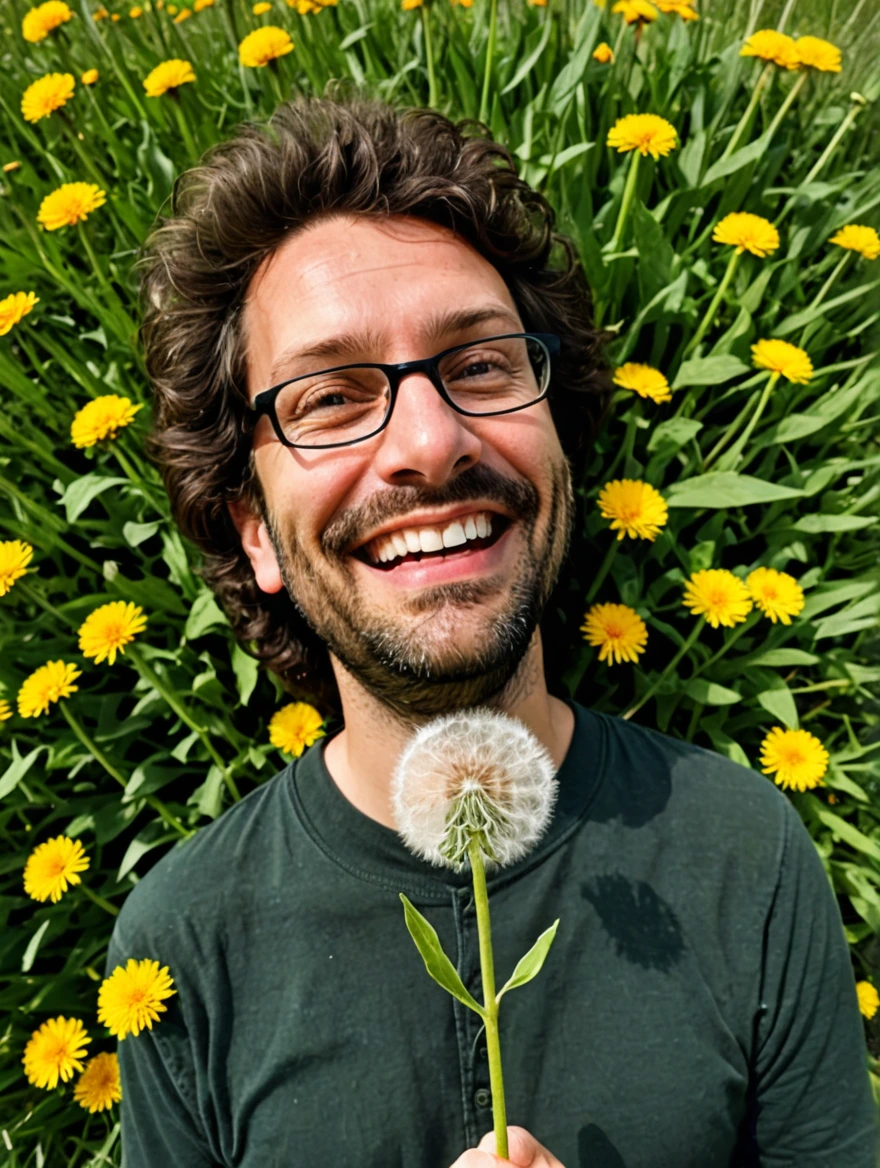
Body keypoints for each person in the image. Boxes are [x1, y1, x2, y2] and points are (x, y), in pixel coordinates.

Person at [106, 90, 878, 1167]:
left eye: (479, 365)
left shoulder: (744, 856)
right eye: (329, 396)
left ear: (559, 442)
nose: (428, 440)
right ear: (255, 534)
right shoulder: (185, 942)